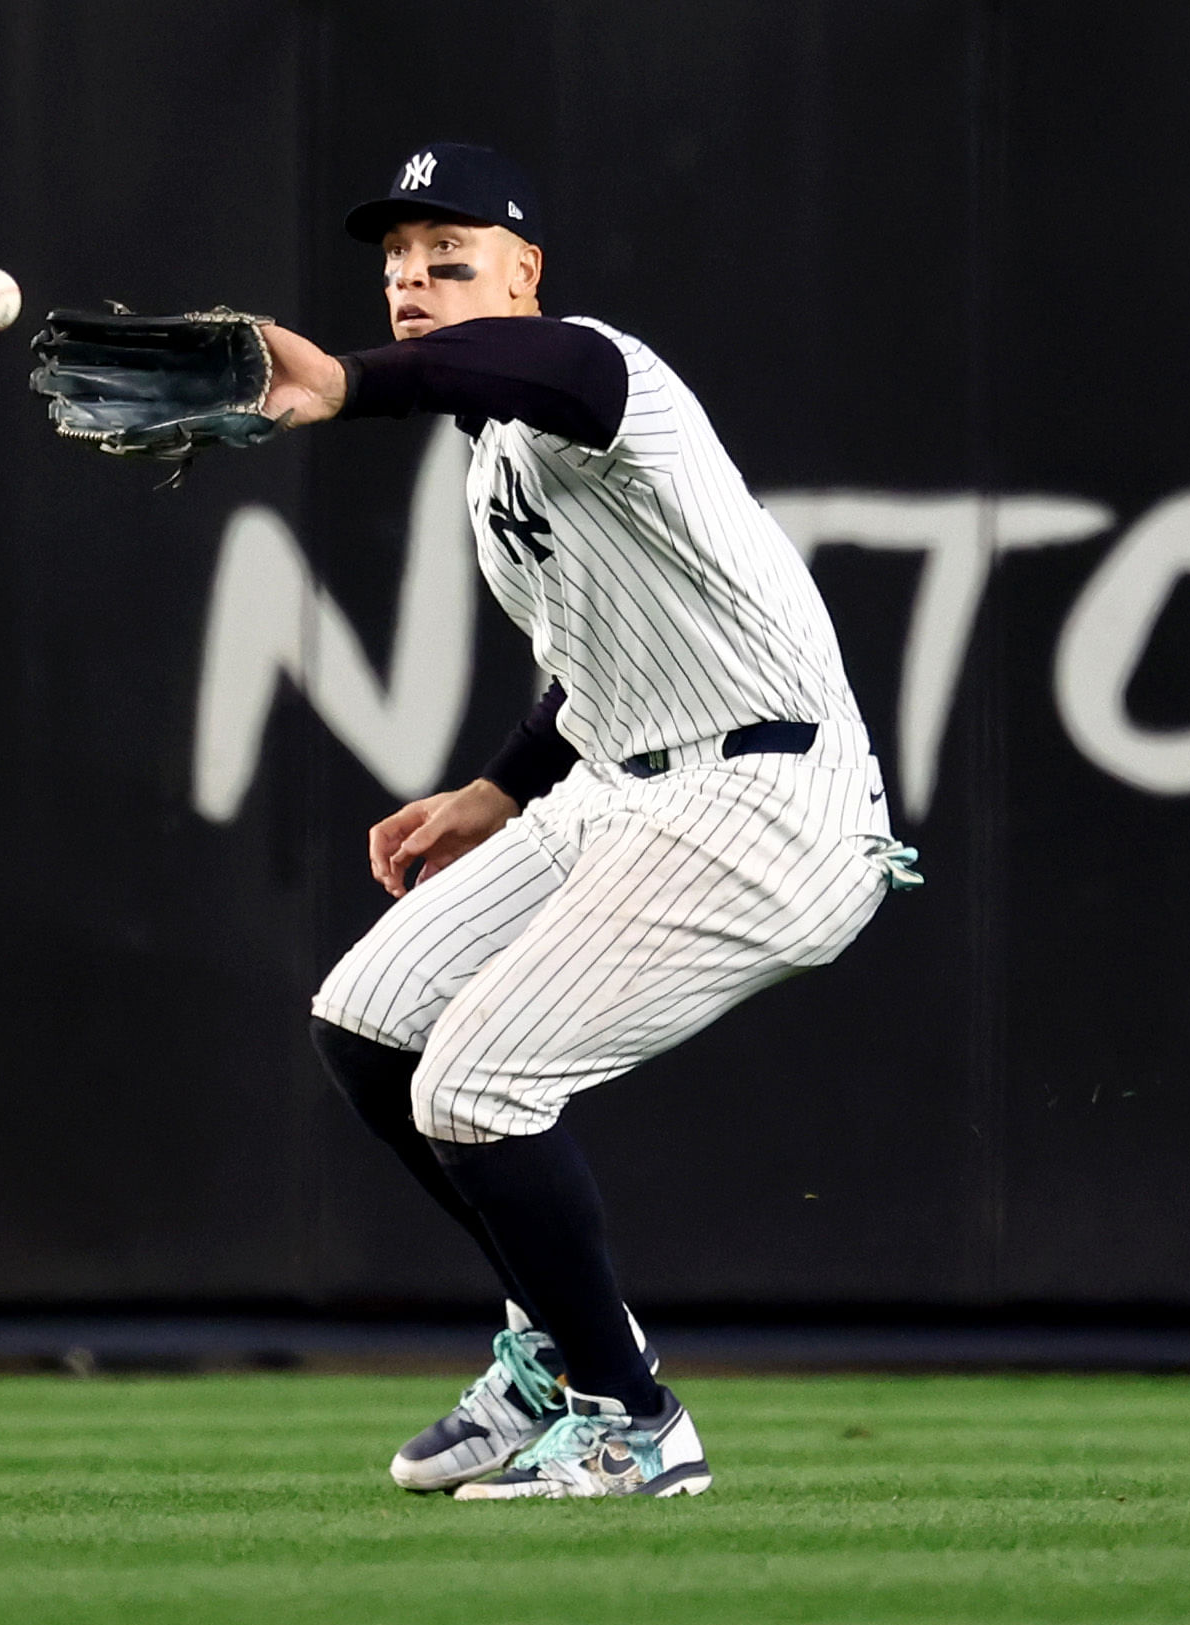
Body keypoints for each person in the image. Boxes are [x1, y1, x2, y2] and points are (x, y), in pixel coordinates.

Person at [256, 142, 920, 1500]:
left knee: (475, 1085)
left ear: (525, 274)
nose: (415, 286)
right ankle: (556, 1354)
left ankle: (632, 1418)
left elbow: (542, 369)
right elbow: (599, 657)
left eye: (450, 260)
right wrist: (494, 787)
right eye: (396, 267)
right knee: (367, 1016)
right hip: (628, 783)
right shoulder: (493, 461)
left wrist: (346, 386)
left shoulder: (601, 372)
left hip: (766, 798)